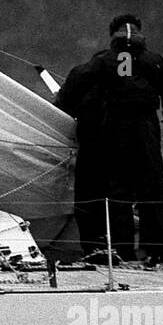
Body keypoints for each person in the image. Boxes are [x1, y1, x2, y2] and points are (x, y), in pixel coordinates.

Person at [93, 14, 163, 265]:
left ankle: (123, 251)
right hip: (146, 127)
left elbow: (82, 83)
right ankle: (155, 251)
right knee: (150, 189)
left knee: (118, 190)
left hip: (115, 126)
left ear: (113, 35)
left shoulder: (103, 60)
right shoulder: (155, 61)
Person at [55, 54, 109, 257]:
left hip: (92, 141)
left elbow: (62, 105)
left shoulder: (81, 73)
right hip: (125, 141)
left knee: (87, 195)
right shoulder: (128, 70)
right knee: (120, 196)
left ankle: (92, 245)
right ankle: (123, 248)